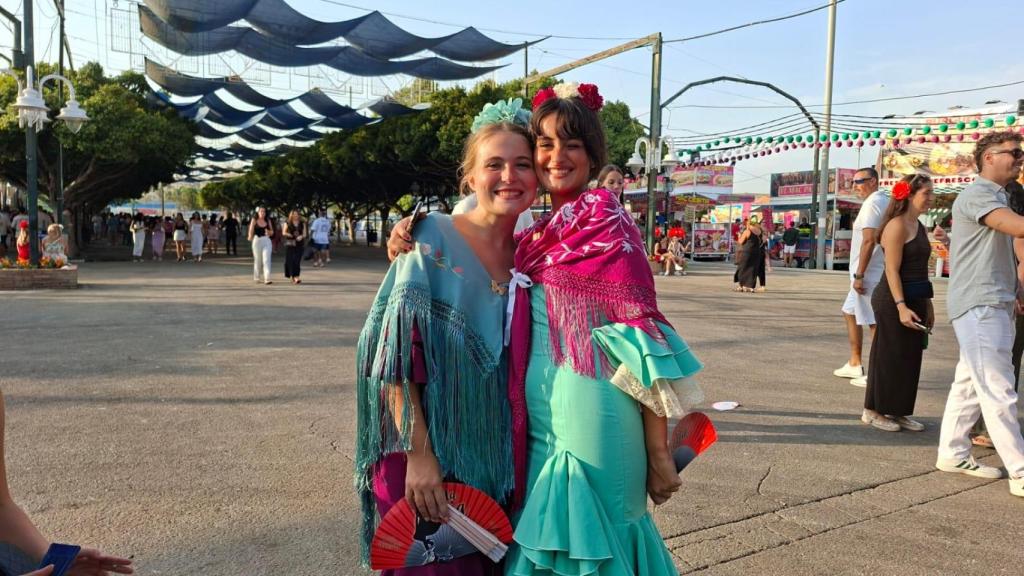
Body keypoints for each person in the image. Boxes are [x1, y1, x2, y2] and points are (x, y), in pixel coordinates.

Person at [389, 87, 702, 575]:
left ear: (593, 154)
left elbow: (640, 338)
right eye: (546, 144)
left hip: (592, 413)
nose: (557, 157)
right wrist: (412, 230)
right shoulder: (537, 232)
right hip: (539, 421)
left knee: (591, 544)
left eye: (572, 145)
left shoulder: (605, 221)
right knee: (554, 545)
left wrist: (658, 450)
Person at [356, 101, 537, 574]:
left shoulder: (536, 253)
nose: (508, 176)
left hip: (499, 469)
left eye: (523, 164)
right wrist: (421, 458)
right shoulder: (431, 237)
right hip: (426, 460)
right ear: (471, 177)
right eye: (493, 164)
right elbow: (393, 363)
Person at [935, 131, 1024, 498]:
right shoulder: (978, 194)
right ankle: (1020, 471)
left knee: (970, 385)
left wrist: (1016, 287)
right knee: (998, 388)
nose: (1020, 158)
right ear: (989, 157)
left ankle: (953, 453)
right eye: (1014, 152)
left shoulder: (998, 195)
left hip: (994, 301)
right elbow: (1017, 228)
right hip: (980, 304)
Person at [861, 174, 935, 432]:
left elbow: (922, 270)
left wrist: (928, 305)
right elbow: (892, 270)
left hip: (916, 297)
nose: (931, 198)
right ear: (911, 195)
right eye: (927, 193)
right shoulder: (897, 225)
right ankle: (873, 409)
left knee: (910, 357)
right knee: (888, 355)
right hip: (892, 299)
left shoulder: (920, 226)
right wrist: (901, 305)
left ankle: (899, 410)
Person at [834, 167, 889, 387]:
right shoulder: (883, 200)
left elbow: (869, 240)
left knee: (874, 322)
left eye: (860, 181)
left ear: (874, 181)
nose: (855, 186)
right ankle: (855, 362)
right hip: (870, 271)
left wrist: (860, 274)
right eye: (853, 182)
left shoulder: (873, 203)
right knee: (849, 312)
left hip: (868, 274)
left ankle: (878, 372)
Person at [734, 216, 764, 292]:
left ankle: (741, 286)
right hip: (757, 252)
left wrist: (739, 236)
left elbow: (741, 242)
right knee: (753, 269)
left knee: (742, 268)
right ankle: (750, 287)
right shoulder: (759, 230)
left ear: (749, 222)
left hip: (747, 252)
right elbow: (762, 241)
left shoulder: (747, 231)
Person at [248, 207, 273, 285]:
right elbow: (251, 229)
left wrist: (269, 232)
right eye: (261, 211)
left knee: (266, 259)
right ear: (257, 212)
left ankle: (267, 278)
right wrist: (250, 236)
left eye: (264, 211)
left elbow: (272, 232)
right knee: (258, 260)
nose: (263, 213)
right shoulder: (254, 220)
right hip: (257, 241)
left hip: (266, 241)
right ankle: (257, 277)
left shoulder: (268, 220)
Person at [281, 210, 305, 284]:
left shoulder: (302, 223)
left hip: (299, 243)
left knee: (297, 261)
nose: (295, 216)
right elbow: (284, 232)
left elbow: (305, 234)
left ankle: (296, 276)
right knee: (290, 260)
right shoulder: (287, 222)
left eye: (297, 214)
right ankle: (292, 276)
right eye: (294, 214)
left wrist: (301, 236)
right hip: (290, 243)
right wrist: (289, 234)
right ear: (291, 215)